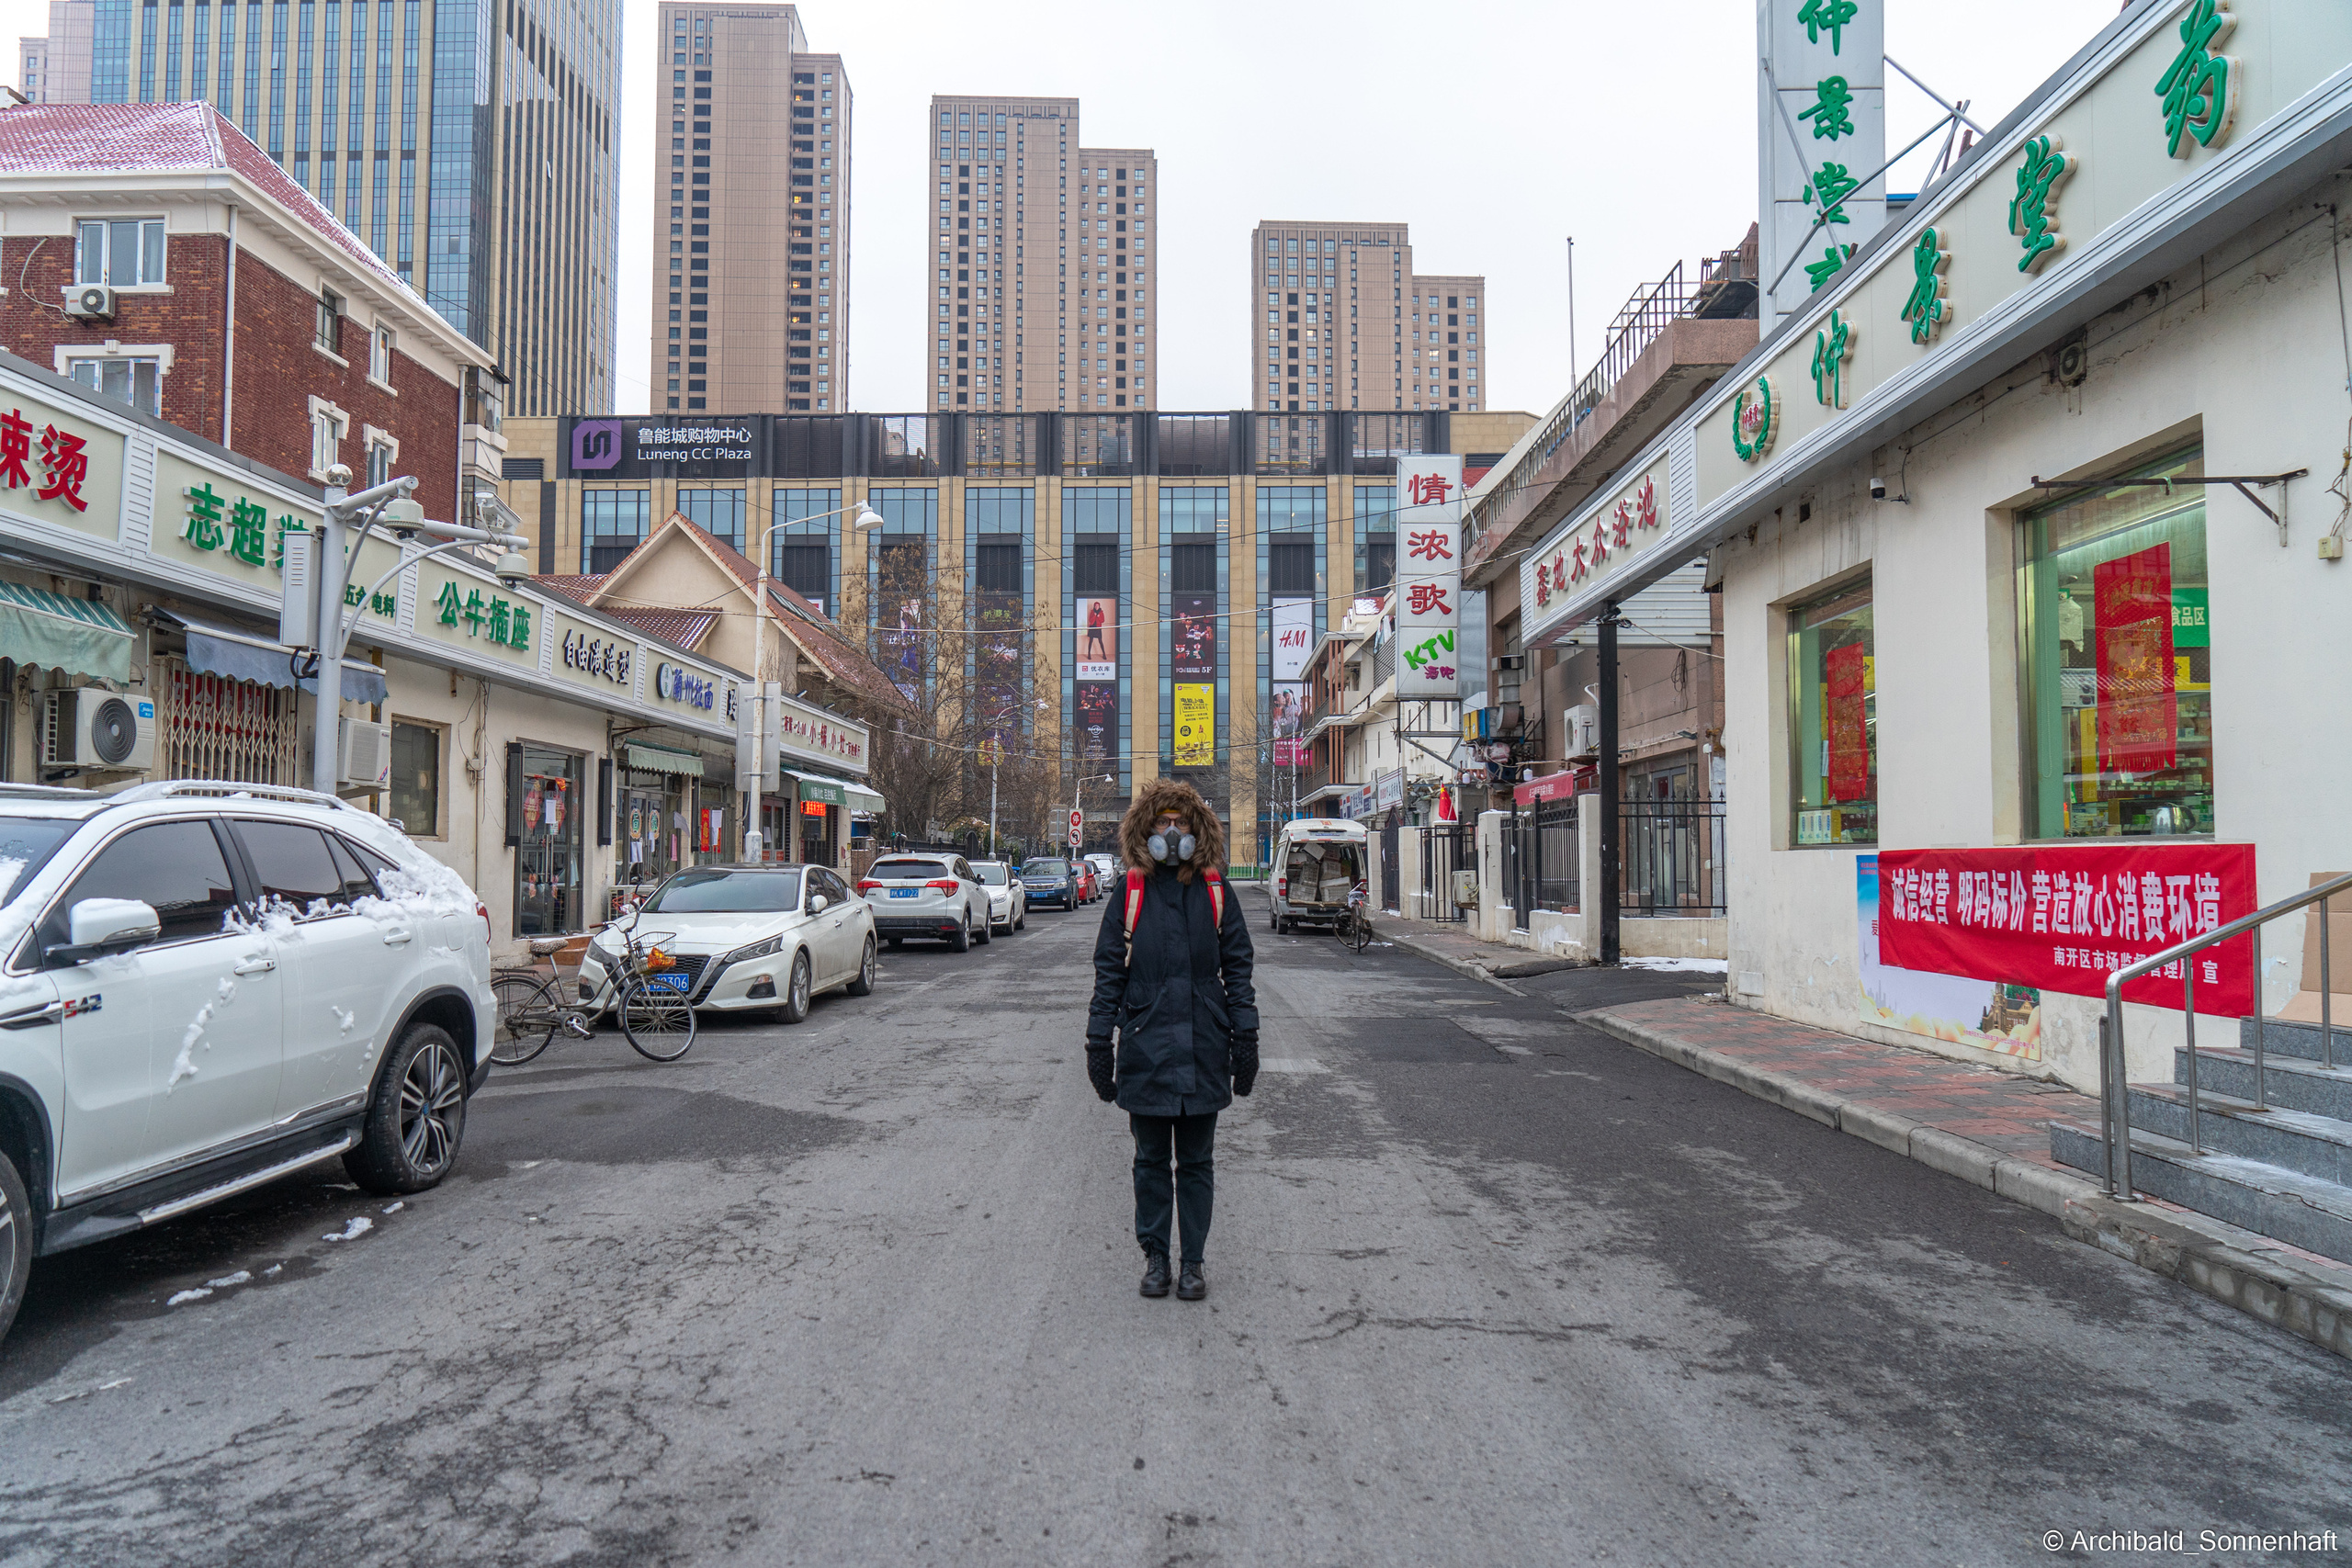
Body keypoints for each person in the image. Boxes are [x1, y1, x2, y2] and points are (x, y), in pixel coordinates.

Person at [1085, 779, 1258, 1301]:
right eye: (1162, 821)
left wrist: (1246, 1037)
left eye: (1181, 821)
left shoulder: (1214, 889)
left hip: (1204, 1044)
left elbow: (1239, 968)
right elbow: (1109, 971)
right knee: (1151, 1161)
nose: (1172, 830)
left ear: (1198, 828)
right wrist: (1098, 1043)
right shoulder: (1131, 891)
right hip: (1145, 1045)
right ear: (1145, 828)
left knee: (1198, 1162)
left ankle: (1194, 1263)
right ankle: (1156, 1257)